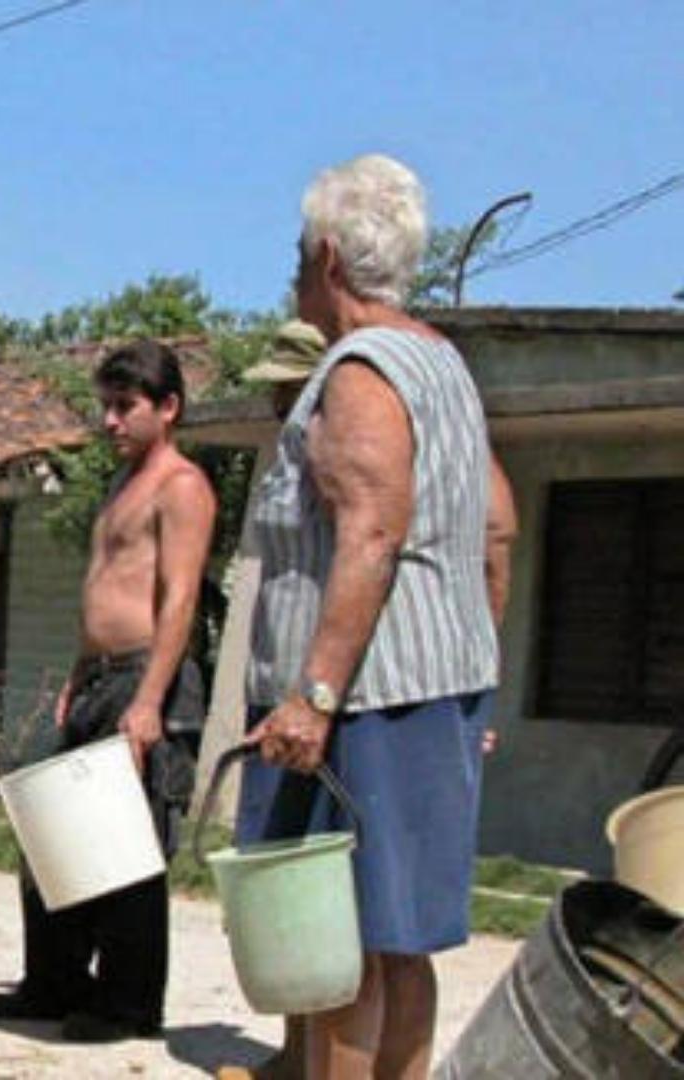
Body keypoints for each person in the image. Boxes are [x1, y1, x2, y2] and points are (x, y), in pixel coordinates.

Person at [239, 154, 499, 1080]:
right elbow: (495, 529)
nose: (296, 273)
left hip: (366, 698)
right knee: (400, 940)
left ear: (327, 258)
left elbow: (372, 534)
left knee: (336, 941)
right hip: (431, 685)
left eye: (299, 257)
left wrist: (312, 695)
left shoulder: (361, 370)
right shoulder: (443, 363)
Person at [0, 340, 217, 1042]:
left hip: (150, 679)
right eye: (105, 406)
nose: (110, 421)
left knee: (127, 848)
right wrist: (79, 678)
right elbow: (104, 589)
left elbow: (178, 600)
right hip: (101, 680)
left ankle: (128, 1005)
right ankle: (54, 983)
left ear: (167, 408)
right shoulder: (121, 486)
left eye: (125, 407)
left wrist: (148, 700)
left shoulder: (182, 486)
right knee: (58, 834)